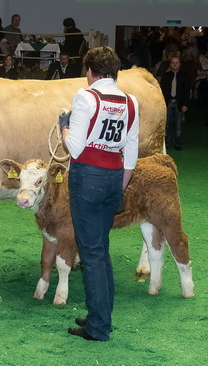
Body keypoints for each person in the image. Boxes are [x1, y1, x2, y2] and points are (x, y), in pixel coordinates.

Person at [59, 46, 139, 341]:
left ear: (90, 71)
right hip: (115, 174)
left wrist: (65, 127)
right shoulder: (131, 102)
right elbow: (131, 150)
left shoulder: (86, 97)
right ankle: (100, 314)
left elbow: (75, 147)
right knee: (100, 251)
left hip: (88, 176)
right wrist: (119, 186)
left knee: (91, 254)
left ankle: (97, 328)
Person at [160, 57, 190, 150]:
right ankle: (166, 144)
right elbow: (162, 91)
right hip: (168, 102)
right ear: (170, 64)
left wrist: (185, 104)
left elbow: (186, 92)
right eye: (173, 63)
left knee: (178, 126)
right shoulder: (165, 76)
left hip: (179, 103)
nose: (175, 64)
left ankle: (177, 144)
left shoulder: (184, 76)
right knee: (167, 124)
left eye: (177, 63)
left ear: (180, 64)